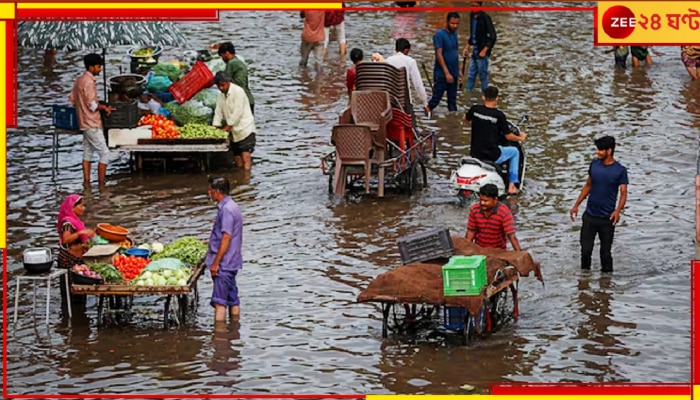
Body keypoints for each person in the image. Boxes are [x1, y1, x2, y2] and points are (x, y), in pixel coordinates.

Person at [569, 136, 628, 273]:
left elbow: (623, 193)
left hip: (607, 219)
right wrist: (576, 204)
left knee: (605, 254)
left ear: (609, 151)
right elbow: (588, 185)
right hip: (590, 216)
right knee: (585, 251)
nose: (598, 152)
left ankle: (606, 286)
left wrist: (618, 211)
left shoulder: (620, 170)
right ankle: (584, 283)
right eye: (597, 149)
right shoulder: (594, 165)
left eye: (601, 150)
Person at [465, 86, 527, 195]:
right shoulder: (499, 115)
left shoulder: (475, 110)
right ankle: (512, 186)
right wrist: (520, 137)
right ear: (497, 98)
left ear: (483, 97)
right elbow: (508, 136)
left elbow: (466, 119)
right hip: (492, 155)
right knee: (514, 152)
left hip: (475, 153)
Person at [69, 53, 116, 186]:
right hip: (92, 122)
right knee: (105, 153)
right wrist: (104, 107)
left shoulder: (79, 80)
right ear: (91, 67)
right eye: (98, 66)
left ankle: (87, 183)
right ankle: (101, 184)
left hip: (83, 121)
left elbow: (72, 100)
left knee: (88, 152)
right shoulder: (89, 82)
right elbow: (92, 105)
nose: (100, 69)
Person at [206, 176, 244, 322]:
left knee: (219, 302)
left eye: (210, 191)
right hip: (232, 261)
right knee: (232, 298)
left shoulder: (226, 210)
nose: (209, 193)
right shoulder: (233, 206)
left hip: (224, 263)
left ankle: (220, 337)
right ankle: (235, 329)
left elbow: (226, 237)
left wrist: (216, 262)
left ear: (217, 192)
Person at [212, 72, 257, 171]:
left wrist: (228, 127)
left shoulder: (238, 92)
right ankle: (241, 179)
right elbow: (218, 111)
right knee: (237, 157)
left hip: (245, 128)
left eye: (223, 85)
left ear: (228, 82)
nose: (221, 88)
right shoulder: (221, 95)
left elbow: (238, 112)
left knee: (245, 156)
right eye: (219, 86)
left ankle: (246, 178)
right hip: (233, 131)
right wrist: (215, 126)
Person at [57, 194, 96, 306]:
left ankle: (78, 316)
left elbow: (81, 239)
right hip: (69, 260)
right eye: (81, 206)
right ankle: (70, 312)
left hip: (79, 260)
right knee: (70, 290)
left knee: (80, 290)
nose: (83, 208)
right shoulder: (67, 223)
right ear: (72, 207)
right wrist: (81, 233)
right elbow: (65, 239)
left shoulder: (76, 221)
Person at [466, 183, 522, 251]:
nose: (482, 203)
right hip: (479, 249)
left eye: (486, 201)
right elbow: (471, 231)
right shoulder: (474, 210)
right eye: (481, 200)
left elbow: (511, 236)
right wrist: (467, 250)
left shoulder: (504, 212)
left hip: (498, 251)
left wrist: (519, 253)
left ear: (495, 199)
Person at [385, 38, 430, 116]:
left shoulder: (387, 61)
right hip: (405, 101)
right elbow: (418, 84)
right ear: (406, 50)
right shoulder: (410, 61)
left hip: (389, 100)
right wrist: (425, 103)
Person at [428, 12, 462, 113]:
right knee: (436, 99)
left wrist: (459, 70)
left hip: (454, 72)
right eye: (452, 23)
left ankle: (452, 123)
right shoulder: (439, 35)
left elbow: (456, 52)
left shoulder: (455, 34)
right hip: (441, 74)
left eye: (457, 24)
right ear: (447, 22)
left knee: (452, 101)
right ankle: (426, 112)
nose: (455, 26)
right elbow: (439, 54)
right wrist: (446, 73)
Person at [463, 1, 497, 92]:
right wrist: (467, 46)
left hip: (482, 51)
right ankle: (467, 93)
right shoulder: (472, 16)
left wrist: (485, 50)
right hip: (475, 50)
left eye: (476, 6)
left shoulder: (485, 18)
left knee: (483, 76)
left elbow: (493, 36)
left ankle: (486, 96)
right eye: (472, 6)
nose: (474, 8)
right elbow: (473, 33)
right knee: (471, 75)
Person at [218, 42, 255, 115]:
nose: (222, 59)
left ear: (227, 53)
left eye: (222, 56)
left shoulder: (231, 63)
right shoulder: (238, 61)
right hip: (248, 99)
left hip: (242, 101)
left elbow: (225, 81)